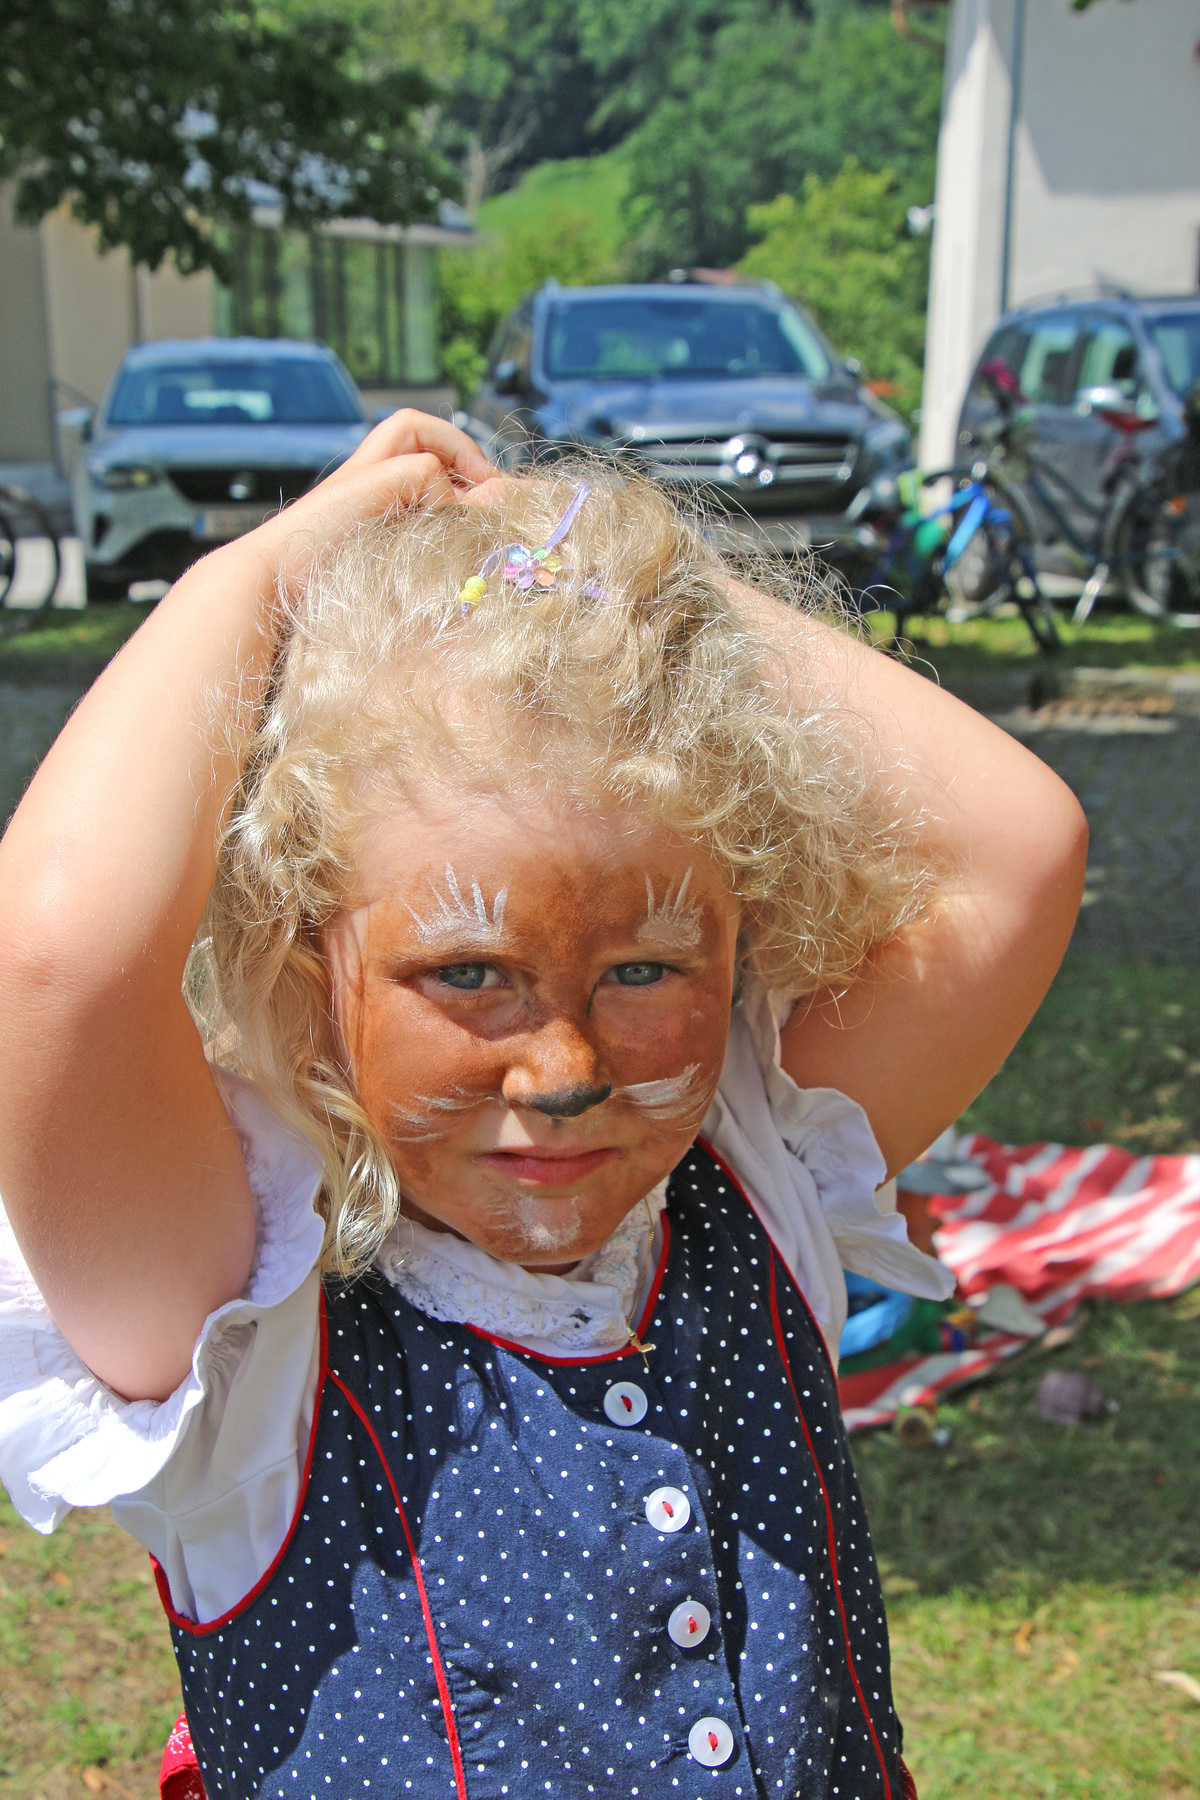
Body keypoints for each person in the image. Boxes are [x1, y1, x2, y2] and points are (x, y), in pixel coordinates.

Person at [0, 414, 1086, 1800]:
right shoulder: (240, 1335)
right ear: (306, 964)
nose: (566, 1071)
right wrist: (262, 572)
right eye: (468, 974)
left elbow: (1018, 851)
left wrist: (640, 589)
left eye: (645, 969)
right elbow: (60, 958)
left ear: (740, 935)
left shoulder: (758, 1176)